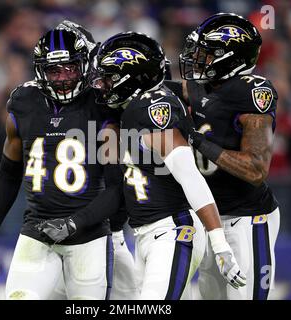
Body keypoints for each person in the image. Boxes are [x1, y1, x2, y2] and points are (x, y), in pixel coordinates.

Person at [47, 31, 246, 300]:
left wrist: (219, 241)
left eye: (109, 78)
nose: (102, 85)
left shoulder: (152, 109)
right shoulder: (132, 107)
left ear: (132, 79)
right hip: (146, 234)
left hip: (174, 230)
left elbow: (190, 176)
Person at [0, 22, 122, 300]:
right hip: (37, 232)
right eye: (54, 70)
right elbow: (8, 174)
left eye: (70, 68)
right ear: (41, 71)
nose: (64, 78)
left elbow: (117, 190)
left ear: (84, 66)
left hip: (88, 236)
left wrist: (74, 223)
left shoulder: (101, 106)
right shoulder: (24, 102)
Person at [177, 12, 280, 300]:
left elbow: (257, 170)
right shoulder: (203, 87)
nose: (198, 59)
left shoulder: (253, 93)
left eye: (207, 54)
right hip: (210, 220)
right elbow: (172, 91)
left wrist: (199, 142)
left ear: (231, 58)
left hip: (247, 219)